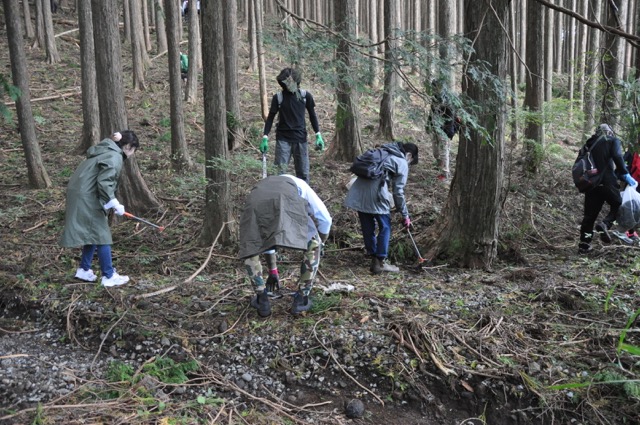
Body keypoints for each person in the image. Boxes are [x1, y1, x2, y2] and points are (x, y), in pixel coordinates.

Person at [239, 174, 332, 317]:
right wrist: (322, 241)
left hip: (255, 202)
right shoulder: (301, 185)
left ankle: (261, 299)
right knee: (314, 244)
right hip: (286, 199)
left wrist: (273, 271)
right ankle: (302, 299)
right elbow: (325, 219)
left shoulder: (264, 184)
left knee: (251, 243)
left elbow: (268, 236)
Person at [60, 131, 140, 287]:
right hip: (86, 197)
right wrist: (113, 202)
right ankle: (108, 276)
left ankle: (84, 269)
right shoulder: (114, 156)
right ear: (128, 147)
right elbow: (105, 182)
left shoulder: (104, 150)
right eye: (133, 150)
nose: (132, 154)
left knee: (93, 232)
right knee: (102, 235)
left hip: (83, 194)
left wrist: (110, 202)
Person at [344, 141, 418, 274]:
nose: (409, 164)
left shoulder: (383, 151)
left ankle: (373, 257)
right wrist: (405, 215)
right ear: (409, 155)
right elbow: (398, 192)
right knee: (385, 226)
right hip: (376, 192)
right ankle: (380, 261)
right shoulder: (401, 161)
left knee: (367, 225)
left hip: (359, 191)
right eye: (411, 161)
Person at [578, 124, 637, 254]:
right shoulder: (612, 140)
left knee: (589, 216)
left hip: (591, 183)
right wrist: (624, 173)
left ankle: (584, 245)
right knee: (618, 204)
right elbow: (617, 155)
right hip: (607, 182)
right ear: (609, 132)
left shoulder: (589, 143)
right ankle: (605, 224)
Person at [260, 68, 324, 183]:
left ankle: (303, 194)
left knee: (303, 174)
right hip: (283, 139)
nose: (289, 86)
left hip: (301, 139)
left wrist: (318, 134)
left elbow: (312, 115)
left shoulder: (305, 96)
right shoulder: (278, 98)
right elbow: (270, 118)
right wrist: (265, 136)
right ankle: (279, 194)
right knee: (279, 173)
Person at [427, 79, 459, 181]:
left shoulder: (448, 100)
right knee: (435, 152)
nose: (435, 89)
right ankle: (440, 163)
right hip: (435, 128)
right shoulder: (435, 98)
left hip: (445, 130)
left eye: (436, 87)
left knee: (444, 151)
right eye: (433, 87)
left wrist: (448, 132)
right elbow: (432, 112)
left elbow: (451, 117)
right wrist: (429, 124)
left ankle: (445, 173)